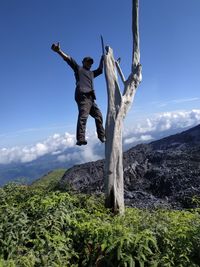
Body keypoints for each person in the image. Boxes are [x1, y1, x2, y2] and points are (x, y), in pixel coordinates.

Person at [51, 42, 106, 146]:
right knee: (83, 116)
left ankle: (102, 136)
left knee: (98, 115)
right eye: (88, 62)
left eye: (91, 63)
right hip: (83, 96)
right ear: (83, 62)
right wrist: (59, 51)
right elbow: (68, 60)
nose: (89, 64)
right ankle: (80, 139)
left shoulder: (91, 73)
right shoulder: (79, 69)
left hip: (91, 98)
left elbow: (100, 70)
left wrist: (102, 59)